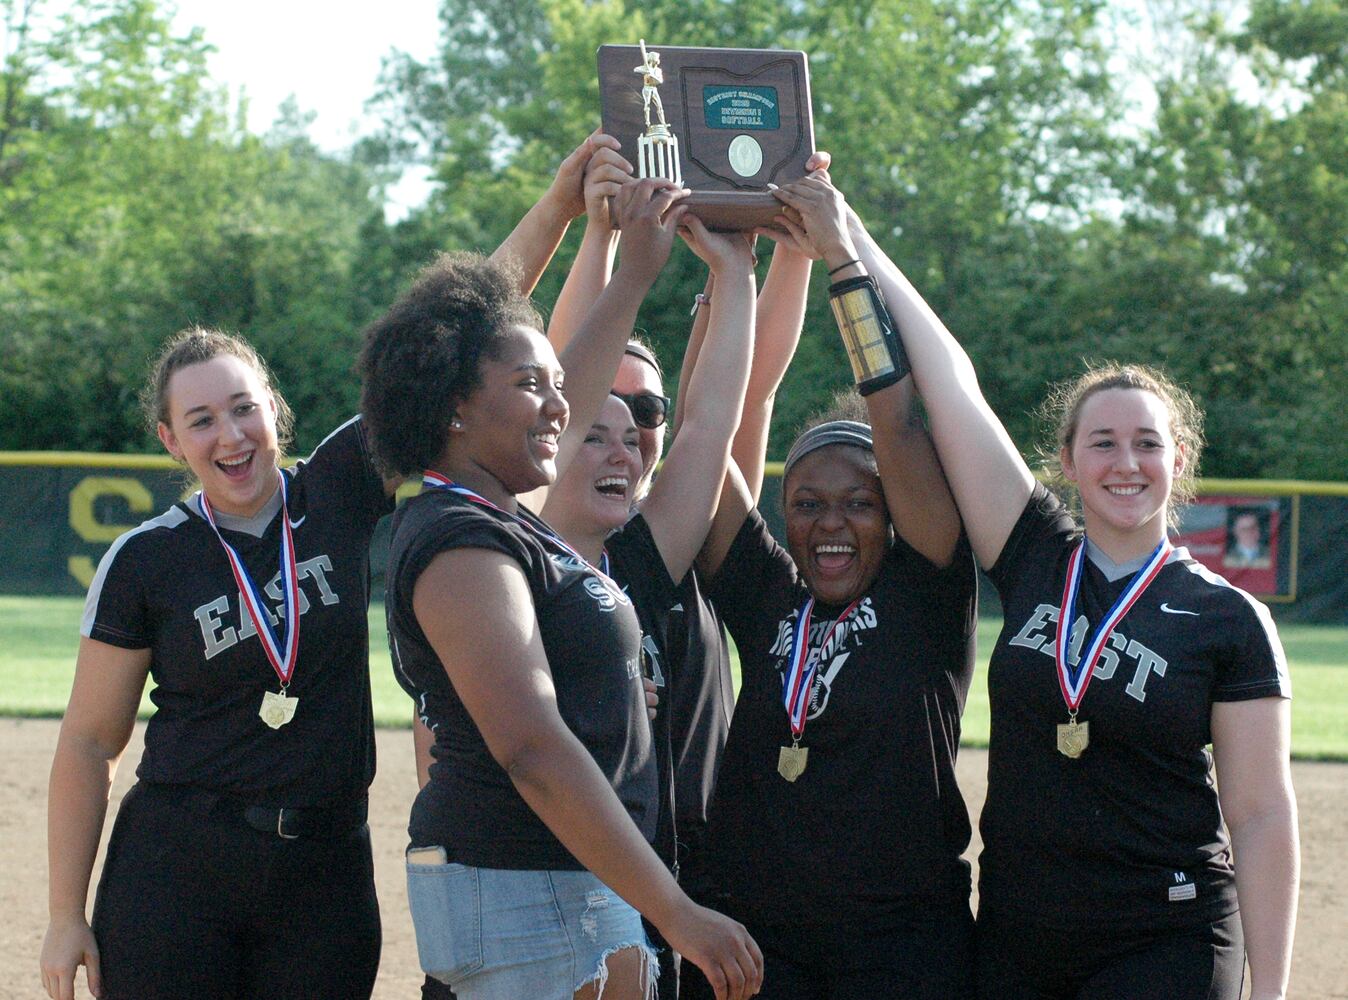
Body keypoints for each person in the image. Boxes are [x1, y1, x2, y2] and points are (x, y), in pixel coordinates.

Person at [38, 130, 628, 1000]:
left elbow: (450, 335)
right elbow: (90, 743)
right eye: (200, 420)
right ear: (171, 440)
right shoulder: (147, 560)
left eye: (244, 409)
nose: (229, 435)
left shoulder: (339, 489)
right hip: (176, 866)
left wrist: (559, 209)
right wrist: (63, 914)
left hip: (324, 868)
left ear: (274, 411)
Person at [772, 170, 1299, 999]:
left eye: (1148, 445)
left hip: (1165, 933)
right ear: (1066, 461)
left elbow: (1263, 816)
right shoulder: (1035, 555)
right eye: (1103, 443)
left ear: (1180, 461)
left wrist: (1268, 990)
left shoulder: (1225, 619)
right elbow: (949, 381)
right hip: (1020, 938)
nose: (1126, 463)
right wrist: (851, 243)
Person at [364, 178, 763, 1000]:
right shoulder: (458, 539)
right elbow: (531, 747)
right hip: (522, 892)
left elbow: (568, 392)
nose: (561, 409)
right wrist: (678, 912)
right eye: (530, 388)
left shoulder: (497, 513)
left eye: (556, 388)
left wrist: (638, 273)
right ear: (453, 409)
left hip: (559, 892)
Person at [676, 183, 979, 995]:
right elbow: (700, 429)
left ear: (894, 512)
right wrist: (734, 269)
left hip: (903, 950)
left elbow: (902, 423)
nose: (831, 524)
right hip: (764, 943)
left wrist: (843, 260)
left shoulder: (929, 594)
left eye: (859, 502)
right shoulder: (773, 596)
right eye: (808, 505)